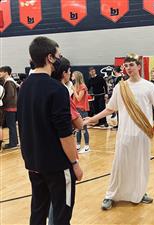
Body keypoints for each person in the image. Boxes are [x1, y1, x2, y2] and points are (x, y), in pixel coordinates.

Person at [84, 53, 154, 210]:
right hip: (124, 134)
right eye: (125, 66)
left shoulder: (149, 86)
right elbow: (110, 108)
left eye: (131, 65)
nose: (128, 68)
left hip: (142, 134)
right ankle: (111, 195)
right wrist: (92, 118)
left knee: (140, 165)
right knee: (120, 164)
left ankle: (139, 193)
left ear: (139, 66)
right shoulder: (120, 87)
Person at [17, 36, 83, 225]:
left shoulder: (24, 87)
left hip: (33, 162)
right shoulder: (57, 89)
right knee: (62, 213)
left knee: (38, 210)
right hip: (57, 164)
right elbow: (64, 133)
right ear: (50, 58)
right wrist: (75, 163)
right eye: (58, 55)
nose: (60, 58)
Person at [48, 57, 83, 225]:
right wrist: (75, 162)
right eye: (69, 72)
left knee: (48, 200)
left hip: (39, 155)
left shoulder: (31, 87)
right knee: (62, 204)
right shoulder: (60, 92)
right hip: (61, 156)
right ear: (64, 73)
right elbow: (77, 123)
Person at [0, 66, 19, 150]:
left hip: (10, 107)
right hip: (11, 107)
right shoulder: (9, 81)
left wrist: (3, 102)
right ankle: (14, 142)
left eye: (1, 72)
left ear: (6, 72)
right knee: (12, 126)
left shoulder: (9, 82)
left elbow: (10, 96)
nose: (0, 73)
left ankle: (13, 143)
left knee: (11, 126)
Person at [72, 71, 90, 153]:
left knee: (84, 128)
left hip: (82, 110)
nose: (71, 77)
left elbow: (79, 98)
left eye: (73, 75)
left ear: (77, 77)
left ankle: (87, 146)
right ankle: (78, 145)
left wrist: (74, 90)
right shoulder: (75, 86)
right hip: (76, 109)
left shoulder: (82, 86)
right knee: (77, 128)